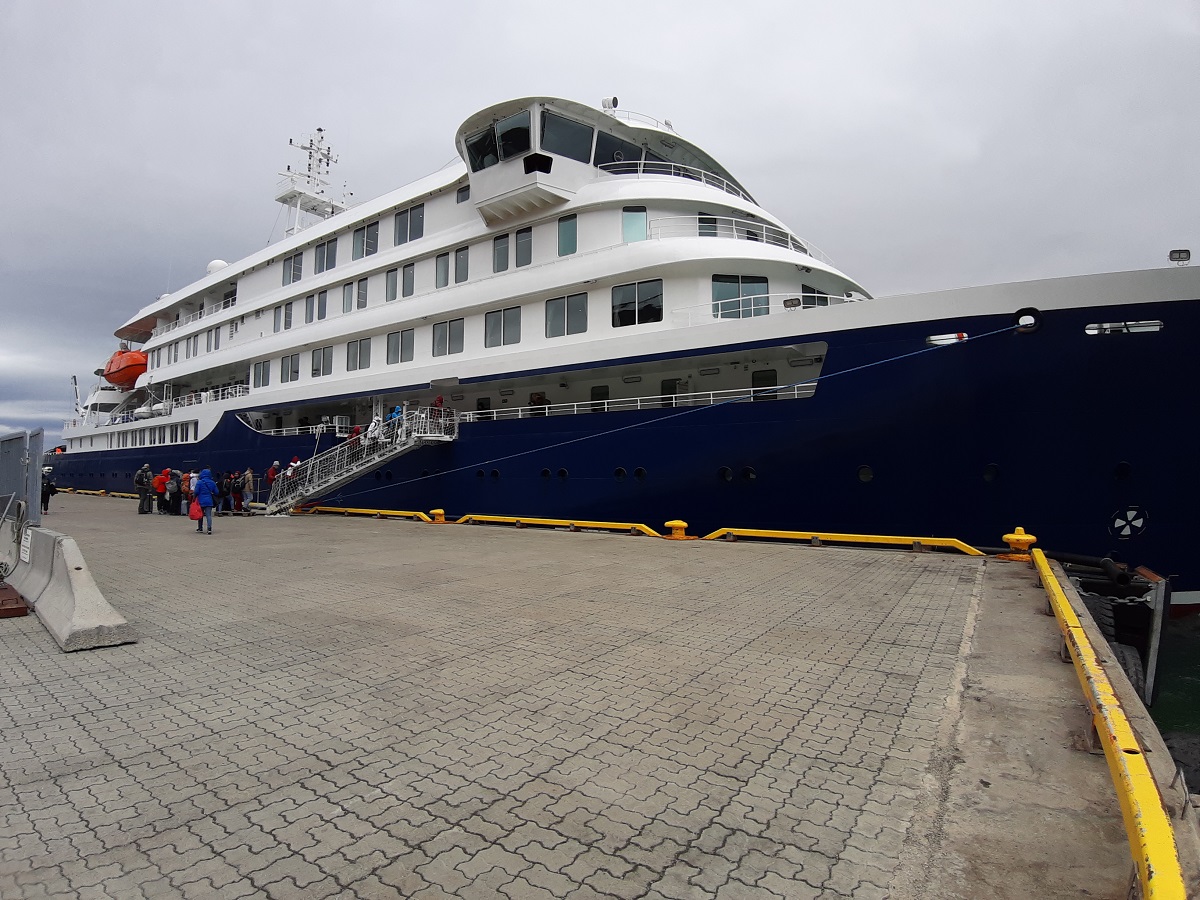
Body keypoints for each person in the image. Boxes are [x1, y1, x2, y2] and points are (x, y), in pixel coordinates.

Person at [192, 468, 219, 534]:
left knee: (200, 515)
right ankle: (209, 529)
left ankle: (200, 528)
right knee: (208, 515)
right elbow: (217, 492)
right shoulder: (212, 482)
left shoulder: (200, 482)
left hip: (200, 501)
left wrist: (194, 498)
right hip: (209, 501)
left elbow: (196, 491)